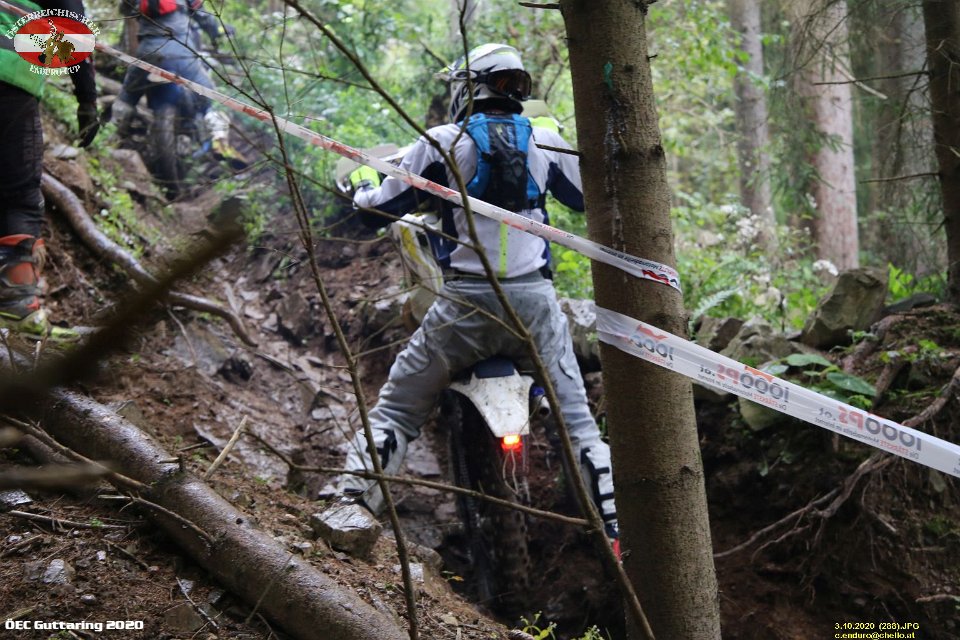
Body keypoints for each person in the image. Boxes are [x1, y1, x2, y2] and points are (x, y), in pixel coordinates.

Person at [336, 43, 618, 545]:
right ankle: (617, 531)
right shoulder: (544, 139)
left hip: (464, 307)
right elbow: (583, 200)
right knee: (580, 427)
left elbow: (377, 210)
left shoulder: (442, 142)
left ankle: (348, 512)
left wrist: (360, 182)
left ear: (467, 87)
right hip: (534, 307)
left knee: (397, 410)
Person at [0, 0, 99, 339]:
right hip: (11, 77)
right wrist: (87, 100)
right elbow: (73, 31)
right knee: (19, 198)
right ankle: (17, 306)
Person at [111, 0, 240, 165]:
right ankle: (220, 143)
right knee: (210, 98)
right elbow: (205, 18)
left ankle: (111, 138)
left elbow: (124, 9)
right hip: (181, 52)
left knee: (127, 96)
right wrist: (219, 33)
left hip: (148, 53)